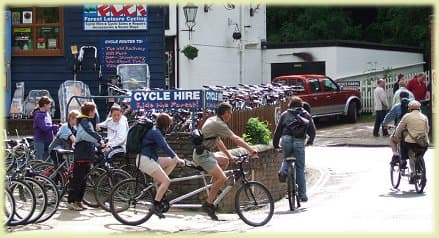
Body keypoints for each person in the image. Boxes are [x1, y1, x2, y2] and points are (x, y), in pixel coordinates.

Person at [193, 102, 257, 220]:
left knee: (225, 161)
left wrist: (229, 156)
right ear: (225, 113)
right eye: (230, 113)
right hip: (203, 156)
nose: (231, 115)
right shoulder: (219, 124)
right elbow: (235, 139)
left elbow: (218, 142)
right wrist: (250, 149)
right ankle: (208, 204)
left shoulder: (214, 120)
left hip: (206, 153)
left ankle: (214, 186)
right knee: (222, 178)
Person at [136, 113, 184, 218]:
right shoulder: (155, 132)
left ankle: (159, 183)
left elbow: (166, 148)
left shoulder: (156, 131)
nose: (170, 126)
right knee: (167, 181)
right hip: (145, 160)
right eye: (169, 124)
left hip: (150, 159)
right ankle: (155, 206)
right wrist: (177, 157)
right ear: (166, 125)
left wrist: (176, 159)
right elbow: (165, 147)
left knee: (173, 162)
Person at [272, 96, 316, 202]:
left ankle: (283, 171)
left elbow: (277, 132)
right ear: (301, 105)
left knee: (287, 158)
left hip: (286, 139)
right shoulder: (306, 114)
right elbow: (312, 131)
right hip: (299, 141)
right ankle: (302, 195)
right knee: (300, 168)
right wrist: (310, 141)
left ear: (290, 105)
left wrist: (276, 145)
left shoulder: (285, 115)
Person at [67, 102, 105, 211]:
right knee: (78, 179)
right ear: (89, 111)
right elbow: (88, 134)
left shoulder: (86, 121)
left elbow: (89, 136)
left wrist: (98, 144)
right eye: (94, 110)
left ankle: (78, 201)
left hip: (86, 154)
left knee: (83, 180)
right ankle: (71, 201)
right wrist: (99, 140)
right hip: (82, 153)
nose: (95, 112)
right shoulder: (84, 121)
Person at [389, 100, 429, 182]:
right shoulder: (424, 117)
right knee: (416, 154)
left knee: (396, 140)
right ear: (419, 108)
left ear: (409, 109)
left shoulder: (407, 116)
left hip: (411, 143)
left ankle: (397, 156)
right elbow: (427, 130)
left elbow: (399, 128)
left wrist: (396, 136)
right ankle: (418, 166)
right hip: (424, 143)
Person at [33, 96, 59, 161]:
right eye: (49, 104)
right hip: (40, 141)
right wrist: (53, 127)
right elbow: (43, 127)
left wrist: (56, 131)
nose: (50, 106)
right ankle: (38, 171)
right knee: (40, 160)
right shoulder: (38, 115)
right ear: (45, 105)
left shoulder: (47, 114)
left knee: (48, 160)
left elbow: (49, 125)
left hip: (49, 139)